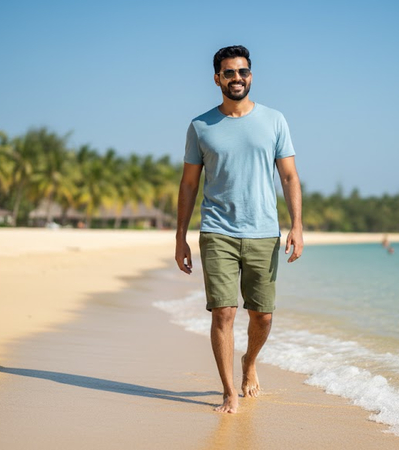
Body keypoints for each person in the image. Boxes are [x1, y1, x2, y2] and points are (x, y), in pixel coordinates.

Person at [175, 45, 303, 414]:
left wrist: (297, 226)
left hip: (264, 231)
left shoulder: (274, 120)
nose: (237, 78)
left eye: (242, 71)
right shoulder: (200, 126)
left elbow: (289, 176)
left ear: (251, 76)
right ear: (217, 78)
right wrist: (181, 237)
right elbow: (188, 184)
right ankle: (229, 392)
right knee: (223, 313)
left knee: (263, 316)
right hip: (217, 231)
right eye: (229, 72)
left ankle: (249, 362)